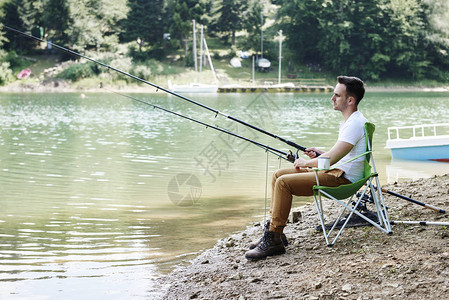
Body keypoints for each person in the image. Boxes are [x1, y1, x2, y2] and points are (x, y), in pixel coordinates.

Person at [245, 75, 368, 260]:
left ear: (350, 100)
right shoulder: (350, 122)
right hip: (337, 171)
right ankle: (274, 230)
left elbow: (331, 159)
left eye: (337, 95)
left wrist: (306, 163)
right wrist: (320, 153)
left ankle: (274, 240)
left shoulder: (355, 123)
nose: (332, 98)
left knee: (283, 183)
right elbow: (338, 155)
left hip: (342, 179)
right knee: (278, 175)